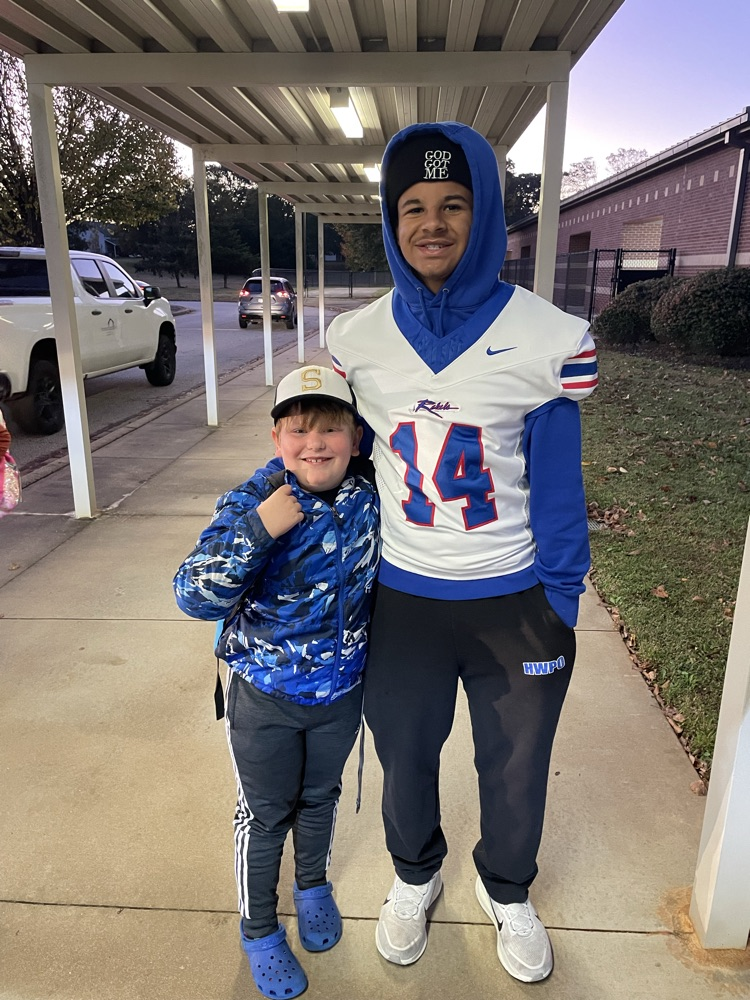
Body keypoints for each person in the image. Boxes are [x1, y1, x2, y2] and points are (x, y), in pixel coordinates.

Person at [326, 121, 598, 984]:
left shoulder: (551, 336)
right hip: (403, 597)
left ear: (483, 217)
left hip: (514, 599)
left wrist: (561, 599)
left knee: (514, 769)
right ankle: (415, 876)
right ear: (389, 219)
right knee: (405, 756)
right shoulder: (355, 340)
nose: (432, 223)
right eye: (413, 207)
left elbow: (558, 484)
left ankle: (508, 888)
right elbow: (342, 467)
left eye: (453, 204)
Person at [173, 365, 380, 1000]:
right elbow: (192, 593)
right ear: (276, 438)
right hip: (264, 697)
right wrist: (260, 528)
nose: (315, 443)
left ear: (355, 437)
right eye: (299, 429)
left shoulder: (372, 494)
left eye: (330, 428)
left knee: (320, 799)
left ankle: (312, 884)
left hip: (340, 695)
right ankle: (259, 928)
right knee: (265, 816)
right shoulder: (252, 501)